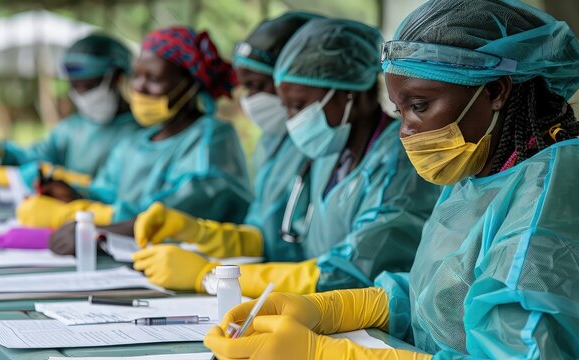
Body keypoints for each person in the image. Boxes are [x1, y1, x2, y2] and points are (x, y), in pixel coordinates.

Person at [204, 1, 579, 359]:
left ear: (497, 91)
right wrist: (332, 309)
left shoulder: (557, 188)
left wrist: (328, 354)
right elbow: (443, 295)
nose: (406, 130)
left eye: (420, 105)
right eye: (400, 111)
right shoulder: (482, 173)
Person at [132, 18, 440, 297]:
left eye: (298, 105)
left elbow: (347, 273)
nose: (291, 120)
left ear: (352, 94)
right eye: (286, 105)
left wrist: (211, 277)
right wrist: (198, 232)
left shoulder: (400, 165)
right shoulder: (327, 156)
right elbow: (283, 243)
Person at [16, 26, 252, 229]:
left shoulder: (212, 138)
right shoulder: (134, 143)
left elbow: (176, 212)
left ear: (190, 83)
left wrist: (97, 219)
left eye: (154, 78)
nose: (139, 87)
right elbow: (106, 192)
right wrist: (75, 194)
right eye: (137, 76)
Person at [0, 33, 140, 196]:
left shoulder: (142, 135)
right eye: (75, 86)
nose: (81, 95)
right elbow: (31, 159)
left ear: (117, 77)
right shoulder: (71, 129)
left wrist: (77, 192)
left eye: (89, 86)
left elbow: (116, 193)